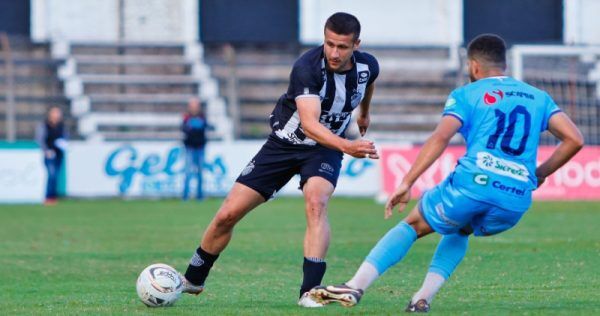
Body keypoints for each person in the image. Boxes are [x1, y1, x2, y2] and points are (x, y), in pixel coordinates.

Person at [310, 34, 584, 312]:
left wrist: (407, 181)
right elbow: (575, 139)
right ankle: (422, 299)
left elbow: (440, 138)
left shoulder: (467, 94)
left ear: (474, 66)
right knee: (461, 229)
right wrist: (538, 174)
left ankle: (355, 285)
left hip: (474, 184)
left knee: (413, 224)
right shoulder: (539, 97)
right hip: (515, 201)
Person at [180, 12, 380, 307]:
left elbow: (368, 83)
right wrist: (348, 146)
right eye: (329, 44)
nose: (334, 53)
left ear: (356, 45)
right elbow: (310, 124)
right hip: (285, 145)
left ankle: (310, 292)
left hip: (323, 149)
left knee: (316, 202)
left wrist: (364, 111)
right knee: (227, 215)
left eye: (342, 47)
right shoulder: (307, 67)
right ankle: (193, 278)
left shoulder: (367, 65)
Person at [35, 106, 68, 205]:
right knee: (51, 174)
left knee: (56, 175)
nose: (57, 115)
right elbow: (40, 139)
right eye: (55, 113)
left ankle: (53, 197)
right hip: (49, 154)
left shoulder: (62, 126)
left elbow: (66, 138)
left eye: (58, 113)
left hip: (59, 154)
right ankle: (48, 197)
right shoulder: (44, 125)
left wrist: (64, 144)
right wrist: (46, 150)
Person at [181, 97, 212, 200]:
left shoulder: (202, 117)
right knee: (188, 173)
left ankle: (200, 196)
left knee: (200, 173)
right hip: (189, 148)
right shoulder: (186, 117)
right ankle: (185, 196)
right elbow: (184, 129)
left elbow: (208, 127)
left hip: (200, 148)